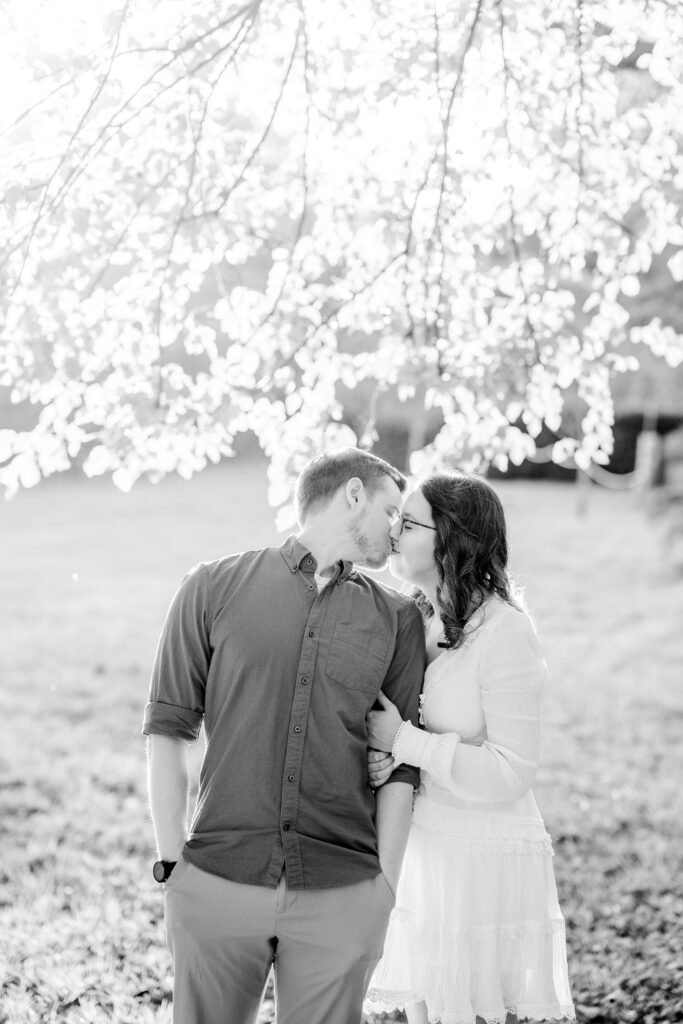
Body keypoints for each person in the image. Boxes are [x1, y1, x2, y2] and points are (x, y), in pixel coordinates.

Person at [142, 447, 426, 1024]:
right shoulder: (211, 587)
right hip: (217, 880)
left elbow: (399, 765)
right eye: (392, 511)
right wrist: (173, 866)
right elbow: (167, 729)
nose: (397, 533)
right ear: (353, 494)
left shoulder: (397, 619)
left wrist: (384, 890)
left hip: (342, 893)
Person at [364, 472, 575, 1024]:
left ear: (452, 540)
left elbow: (513, 769)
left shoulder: (505, 631)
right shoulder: (415, 617)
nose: (393, 533)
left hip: (482, 855)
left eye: (407, 523)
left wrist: (406, 742)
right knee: (426, 1010)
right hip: (425, 847)